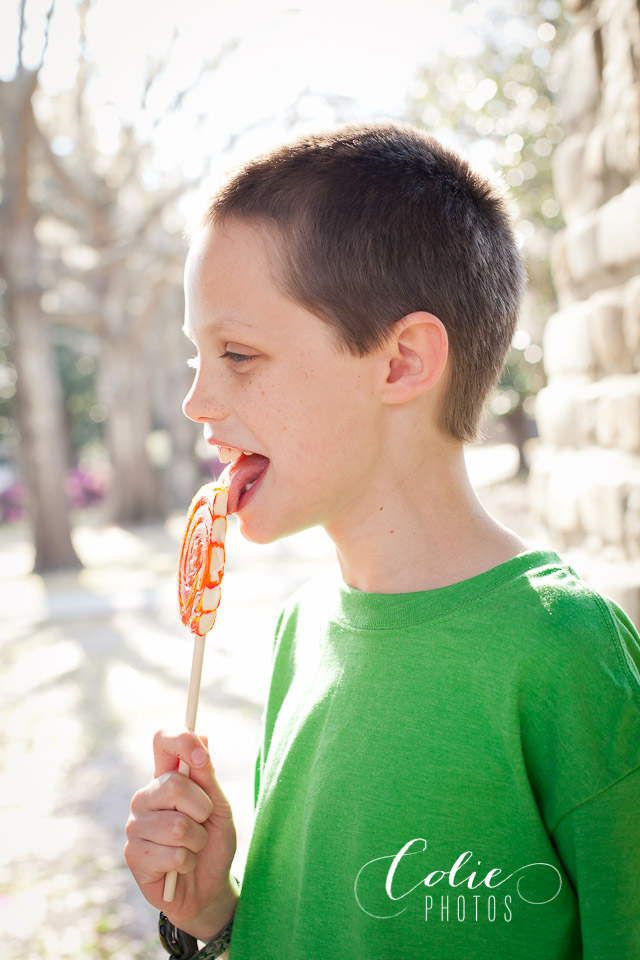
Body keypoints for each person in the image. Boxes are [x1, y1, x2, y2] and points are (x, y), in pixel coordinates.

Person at [125, 121, 640, 959]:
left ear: (401, 362)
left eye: (239, 354)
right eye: (195, 358)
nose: (198, 401)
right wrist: (216, 916)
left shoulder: (566, 655)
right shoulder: (302, 630)